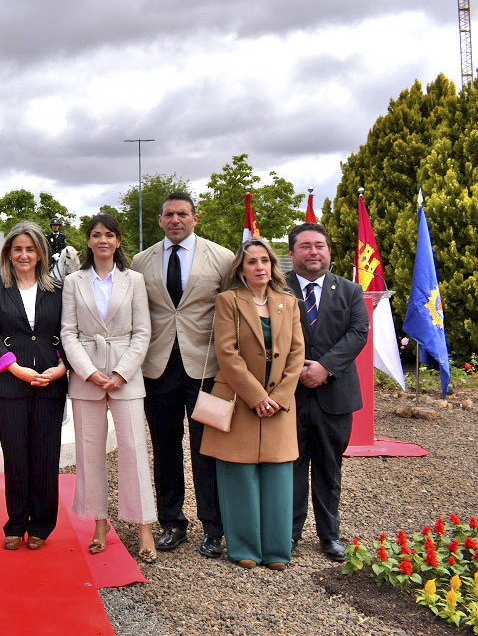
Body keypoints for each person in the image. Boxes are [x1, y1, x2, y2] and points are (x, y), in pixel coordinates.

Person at [130, 193, 234, 558]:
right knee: (166, 448)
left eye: (183, 214)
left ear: (195, 218)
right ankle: (172, 522)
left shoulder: (222, 258)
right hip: (158, 368)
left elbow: (234, 311)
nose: (176, 219)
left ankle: (213, 526)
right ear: (159, 220)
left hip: (205, 368)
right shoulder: (141, 262)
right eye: (169, 214)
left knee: (207, 449)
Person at [200, 238, 304, 570]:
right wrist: (257, 397)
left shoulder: (289, 303)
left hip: (280, 403)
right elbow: (226, 354)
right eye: (251, 262)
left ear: (273, 266)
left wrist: (279, 397)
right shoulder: (227, 301)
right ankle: (243, 547)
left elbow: (297, 354)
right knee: (238, 474)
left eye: (264, 261)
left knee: (278, 476)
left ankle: (276, 551)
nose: (259, 267)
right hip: (239, 399)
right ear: (241, 270)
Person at [60, 213, 157, 560]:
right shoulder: (74, 281)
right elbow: (68, 332)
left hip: (126, 376)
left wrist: (121, 372)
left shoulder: (134, 280)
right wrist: (87, 372)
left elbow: (142, 332)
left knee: (133, 451)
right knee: (89, 454)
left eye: (109, 235)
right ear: (88, 241)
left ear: (118, 241)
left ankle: (144, 526)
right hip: (86, 377)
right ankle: (99, 523)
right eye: (96, 235)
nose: (103, 240)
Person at [0, 221, 67, 551]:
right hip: (10, 383)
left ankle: (42, 524)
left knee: (45, 456)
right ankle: (16, 522)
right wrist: (14, 368)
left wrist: (62, 368)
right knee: (16, 455)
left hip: (51, 381)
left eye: (30, 249)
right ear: (8, 253)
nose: (24, 255)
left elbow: (69, 331)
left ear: (41, 253)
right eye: (17, 248)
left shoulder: (57, 289)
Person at [286, 222, 369, 561]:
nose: (313, 252)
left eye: (319, 245)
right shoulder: (277, 290)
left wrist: (324, 368)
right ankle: (288, 534)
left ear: (329, 251)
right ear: (291, 254)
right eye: (305, 246)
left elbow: (358, 332)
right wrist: (297, 371)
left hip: (334, 395)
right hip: (288, 396)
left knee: (328, 467)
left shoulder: (349, 291)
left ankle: (329, 535)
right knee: (289, 467)